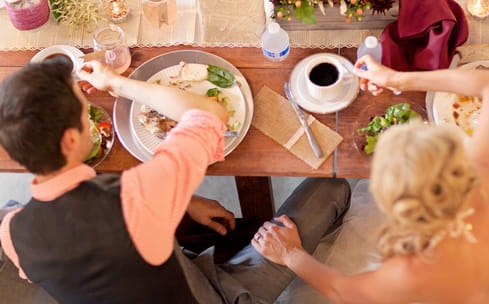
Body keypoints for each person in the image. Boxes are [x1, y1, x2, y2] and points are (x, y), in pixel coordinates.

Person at [0, 58, 350, 304]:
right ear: (70, 141)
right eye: (83, 108)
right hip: (212, 296)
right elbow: (210, 114)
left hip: (159, 271)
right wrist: (116, 83)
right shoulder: (137, 197)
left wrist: (182, 201)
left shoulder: (12, 232)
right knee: (333, 188)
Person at [253, 55, 489, 304]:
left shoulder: (411, 273)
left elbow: (342, 291)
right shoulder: (484, 169)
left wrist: (290, 253)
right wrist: (395, 78)